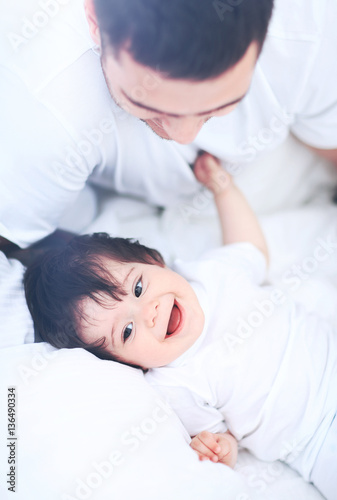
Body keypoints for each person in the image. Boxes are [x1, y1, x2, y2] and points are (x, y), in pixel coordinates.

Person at [24, 153, 337, 500]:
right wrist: (221, 449)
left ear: (155, 260)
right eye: (126, 332)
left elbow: (249, 248)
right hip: (316, 440)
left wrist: (223, 189)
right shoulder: (174, 383)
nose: (149, 313)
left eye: (139, 288)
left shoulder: (212, 275)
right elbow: (227, 437)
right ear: (125, 363)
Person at [1, 0, 337, 250]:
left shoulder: (311, 23)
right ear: (93, 18)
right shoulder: (40, 109)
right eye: (148, 105)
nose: (184, 136)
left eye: (221, 105)